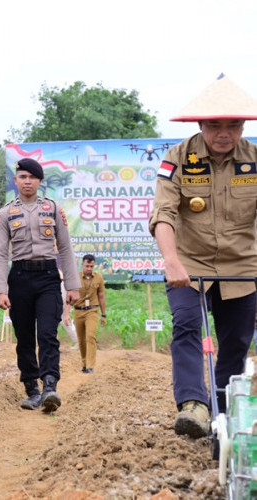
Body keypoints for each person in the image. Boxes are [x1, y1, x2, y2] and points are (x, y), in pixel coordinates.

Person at [149, 75, 257, 438]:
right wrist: (171, 260)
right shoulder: (178, 158)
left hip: (242, 266)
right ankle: (193, 404)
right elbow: (164, 214)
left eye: (233, 125)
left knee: (238, 341)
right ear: (201, 124)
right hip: (188, 263)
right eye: (215, 125)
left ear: (243, 125)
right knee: (185, 325)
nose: (224, 133)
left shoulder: (254, 160)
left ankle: (223, 411)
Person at [0, 158, 80, 413]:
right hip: (19, 279)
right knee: (25, 338)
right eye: (22, 177)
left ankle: (50, 385)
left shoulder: (53, 209)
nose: (27, 181)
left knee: (47, 334)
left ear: (40, 181)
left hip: (48, 278)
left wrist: (72, 286)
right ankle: (32, 389)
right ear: (16, 180)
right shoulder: (5, 213)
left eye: (32, 177)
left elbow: (65, 247)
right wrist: (0, 290)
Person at [70, 254, 106, 373]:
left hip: (92, 310)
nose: (89, 269)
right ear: (82, 265)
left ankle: (90, 366)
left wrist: (104, 315)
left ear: (94, 265)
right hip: (78, 311)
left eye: (91, 266)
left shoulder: (99, 277)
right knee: (81, 340)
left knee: (90, 336)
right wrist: (66, 312)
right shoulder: (76, 277)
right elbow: (69, 295)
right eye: (87, 266)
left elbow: (101, 296)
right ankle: (84, 364)